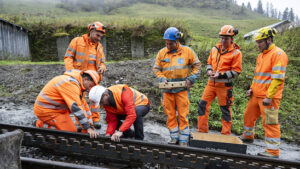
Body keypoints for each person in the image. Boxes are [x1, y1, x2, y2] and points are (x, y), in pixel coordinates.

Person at [241, 27, 288, 158]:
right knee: (248, 116)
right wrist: (251, 88)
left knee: (270, 123)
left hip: (269, 98)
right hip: (256, 94)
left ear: (268, 40)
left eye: (260, 42)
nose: (258, 45)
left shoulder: (278, 54)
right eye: (257, 42)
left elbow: (278, 78)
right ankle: (248, 136)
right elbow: (257, 76)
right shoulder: (261, 55)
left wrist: (269, 96)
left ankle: (273, 152)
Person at [152, 27, 201, 146]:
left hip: (182, 89)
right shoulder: (161, 52)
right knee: (170, 114)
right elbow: (156, 69)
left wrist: (191, 79)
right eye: (166, 43)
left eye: (170, 43)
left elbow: (197, 66)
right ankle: (174, 137)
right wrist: (162, 79)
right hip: (167, 90)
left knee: (183, 114)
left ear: (177, 41)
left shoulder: (187, 51)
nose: (168, 45)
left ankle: (183, 140)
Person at [198, 25, 242, 136]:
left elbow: (236, 72)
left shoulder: (236, 53)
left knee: (225, 110)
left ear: (232, 39)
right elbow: (209, 63)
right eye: (222, 38)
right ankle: (202, 131)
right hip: (211, 84)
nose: (223, 40)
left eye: (226, 38)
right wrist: (209, 71)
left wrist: (220, 75)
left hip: (225, 87)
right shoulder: (214, 49)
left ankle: (226, 134)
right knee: (203, 105)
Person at [34, 69, 100, 138]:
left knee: (72, 130)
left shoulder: (77, 84)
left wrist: (89, 120)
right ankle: (40, 124)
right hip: (46, 110)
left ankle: (46, 122)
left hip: (57, 109)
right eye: (90, 86)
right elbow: (76, 107)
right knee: (70, 133)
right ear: (85, 79)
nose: (89, 89)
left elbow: (82, 105)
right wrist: (88, 128)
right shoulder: (71, 84)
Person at [64, 21, 107, 127]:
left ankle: (96, 120)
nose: (99, 38)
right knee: (78, 100)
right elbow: (68, 57)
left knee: (95, 99)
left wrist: (102, 68)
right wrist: (70, 72)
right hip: (79, 77)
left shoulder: (99, 47)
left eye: (101, 37)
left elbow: (102, 62)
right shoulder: (77, 41)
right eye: (97, 35)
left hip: (94, 78)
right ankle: (80, 122)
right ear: (91, 31)